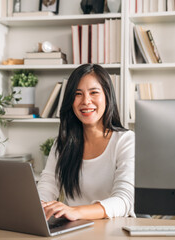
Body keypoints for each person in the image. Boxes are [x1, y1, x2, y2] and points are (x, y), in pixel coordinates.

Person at [37, 64, 135, 221]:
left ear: (107, 96)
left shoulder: (125, 140)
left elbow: (124, 200)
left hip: (113, 229)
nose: (86, 101)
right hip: (73, 229)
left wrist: (75, 211)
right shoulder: (63, 143)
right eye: (78, 94)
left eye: (94, 92)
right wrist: (40, 206)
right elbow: (47, 185)